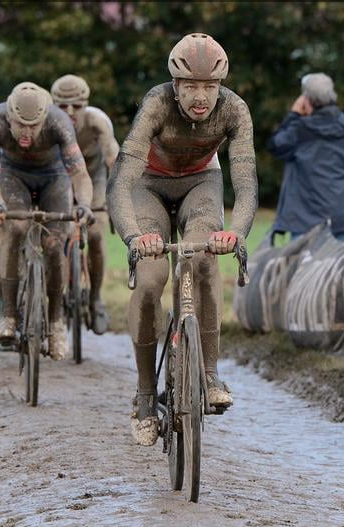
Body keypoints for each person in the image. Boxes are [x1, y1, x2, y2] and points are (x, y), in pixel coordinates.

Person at [107, 33, 258, 446]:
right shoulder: (156, 103)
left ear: (221, 86)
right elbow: (122, 183)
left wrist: (237, 233)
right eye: (191, 86)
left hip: (201, 183)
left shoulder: (234, 110)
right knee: (153, 279)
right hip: (147, 186)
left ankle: (209, 375)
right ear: (175, 86)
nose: (200, 96)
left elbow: (245, 186)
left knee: (203, 258)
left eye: (210, 87)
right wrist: (136, 237)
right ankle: (143, 396)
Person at [0, 81, 94, 361]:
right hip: (12, 176)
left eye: (34, 126)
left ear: (45, 118)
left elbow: (80, 176)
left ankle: (56, 322)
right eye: (21, 125)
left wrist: (85, 205)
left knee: (55, 244)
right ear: (9, 117)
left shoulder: (59, 123)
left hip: (53, 177)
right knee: (15, 228)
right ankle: (8, 315)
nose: (27, 133)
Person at [51, 74, 120, 335]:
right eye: (62, 106)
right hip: (59, 176)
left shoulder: (97, 121)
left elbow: (113, 158)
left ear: (86, 104)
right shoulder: (47, 122)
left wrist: (121, 195)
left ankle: (96, 298)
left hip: (94, 176)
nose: (70, 112)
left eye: (77, 106)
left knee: (95, 235)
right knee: (56, 233)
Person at [268, 73, 344, 242]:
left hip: (305, 221)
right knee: (341, 269)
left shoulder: (300, 129)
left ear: (306, 101)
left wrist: (294, 114)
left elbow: (276, 145)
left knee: (304, 269)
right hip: (342, 218)